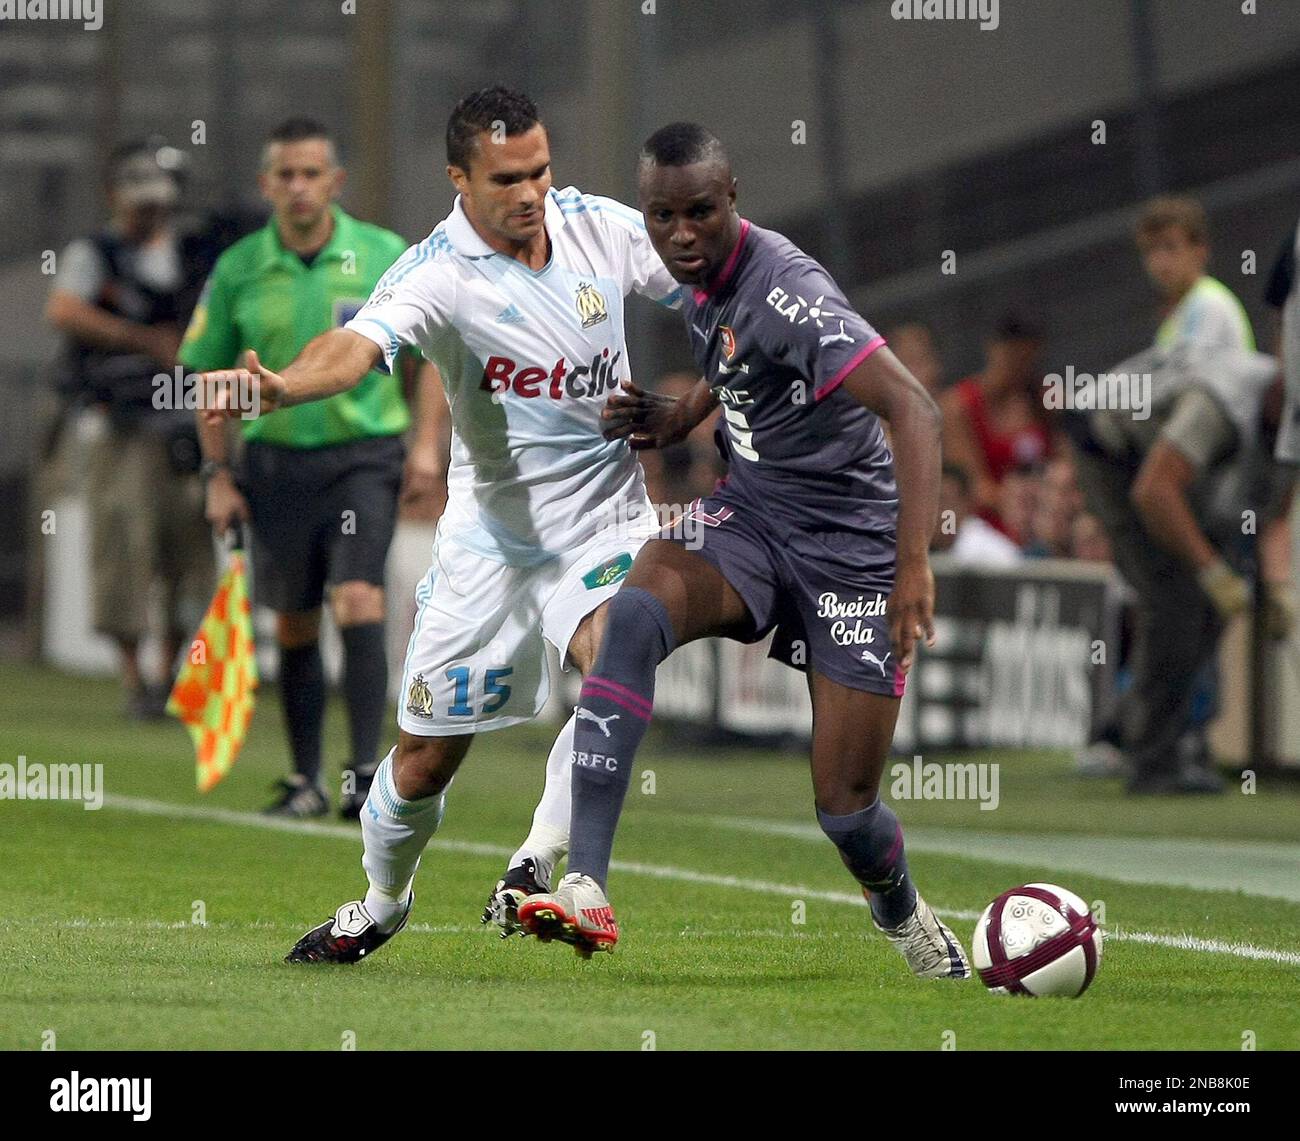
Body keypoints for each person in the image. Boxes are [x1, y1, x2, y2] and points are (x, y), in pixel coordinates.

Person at [201, 87, 682, 962]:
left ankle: (533, 863)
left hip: (604, 519)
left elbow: (707, 278)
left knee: (619, 659)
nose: (531, 191)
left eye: (539, 168)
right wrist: (283, 386)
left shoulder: (600, 228)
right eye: (506, 178)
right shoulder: (435, 271)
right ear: (459, 177)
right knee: (424, 758)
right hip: (490, 541)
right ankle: (382, 900)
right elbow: (352, 348)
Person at [517, 122, 968, 980]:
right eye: (662, 217)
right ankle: (586, 884)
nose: (681, 234)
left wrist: (913, 567)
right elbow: (740, 364)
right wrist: (683, 416)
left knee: (845, 809)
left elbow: (915, 411)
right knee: (637, 610)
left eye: (700, 213)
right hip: (753, 516)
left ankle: (902, 910)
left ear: (734, 201)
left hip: (853, 552)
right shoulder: (698, 279)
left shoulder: (791, 293)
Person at [181, 118, 447, 821]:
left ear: (336, 181)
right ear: (268, 184)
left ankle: (364, 774)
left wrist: (426, 447)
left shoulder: (385, 254)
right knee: (294, 622)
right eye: (285, 175)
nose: (299, 187)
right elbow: (207, 379)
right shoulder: (239, 268)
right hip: (274, 462)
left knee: (358, 597)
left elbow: (430, 361)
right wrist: (218, 475)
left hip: (366, 455)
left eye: (312, 173)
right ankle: (305, 779)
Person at [1067, 196, 1279, 793]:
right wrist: (1212, 567)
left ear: (1199, 249)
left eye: (1171, 248)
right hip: (1115, 458)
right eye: (1151, 251)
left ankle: (1157, 738)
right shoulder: (1224, 389)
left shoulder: (1207, 315)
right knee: (1175, 600)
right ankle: (1152, 754)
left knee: (1186, 604)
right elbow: (1157, 484)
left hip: (1147, 460)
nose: (1159, 263)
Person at [45, 143, 214, 720]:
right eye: (139, 205)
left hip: (186, 425)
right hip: (121, 426)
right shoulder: (95, 253)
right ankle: (133, 679)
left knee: (186, 553)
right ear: (117, 198)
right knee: (124, 550)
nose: (149, 217)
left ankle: (169, 676)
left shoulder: (195, 252)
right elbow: (65, 310)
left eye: (158, 206)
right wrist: (142, 340)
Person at [940, 314, 1052, 535]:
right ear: (993, 350)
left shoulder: (1042, 398)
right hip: (993, 526)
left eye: (1027, 361)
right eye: (1013, 360)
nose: (1019, 370)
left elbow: (1062, 460)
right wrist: (1026, 505)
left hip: (1046, 518)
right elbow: (973, 486)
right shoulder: (959, 407)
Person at [932, 465, 1022, 566]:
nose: (934, 511)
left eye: (942, 501)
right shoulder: (919, 546)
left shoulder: (993, 554)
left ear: (966, 505)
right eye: (928, 502)